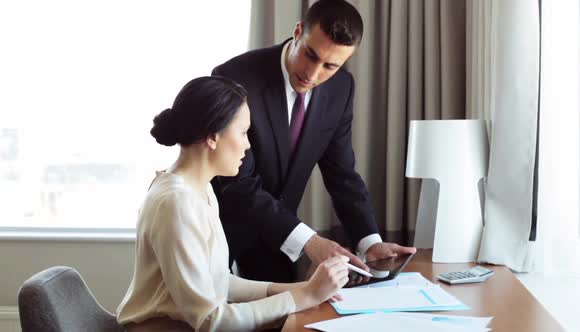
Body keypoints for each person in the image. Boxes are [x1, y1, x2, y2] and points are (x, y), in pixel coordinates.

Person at [117, 76, 350, 331]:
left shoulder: (198, 188)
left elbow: (217, 281)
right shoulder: (177, 203)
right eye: (243, 132)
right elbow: (210, 321)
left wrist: (302, 290)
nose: (248, 144)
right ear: (213, 137)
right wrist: (304, 297)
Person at [212, 0, 416, 283]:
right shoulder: (235, 77)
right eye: (310, 55)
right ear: (298, 32)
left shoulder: (341, 88)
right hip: (221, 230)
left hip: (278, 239)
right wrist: (309, 241)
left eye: (329, 66)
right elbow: (236, 182)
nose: (312, 73)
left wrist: (370, 241)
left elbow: (342, 174)